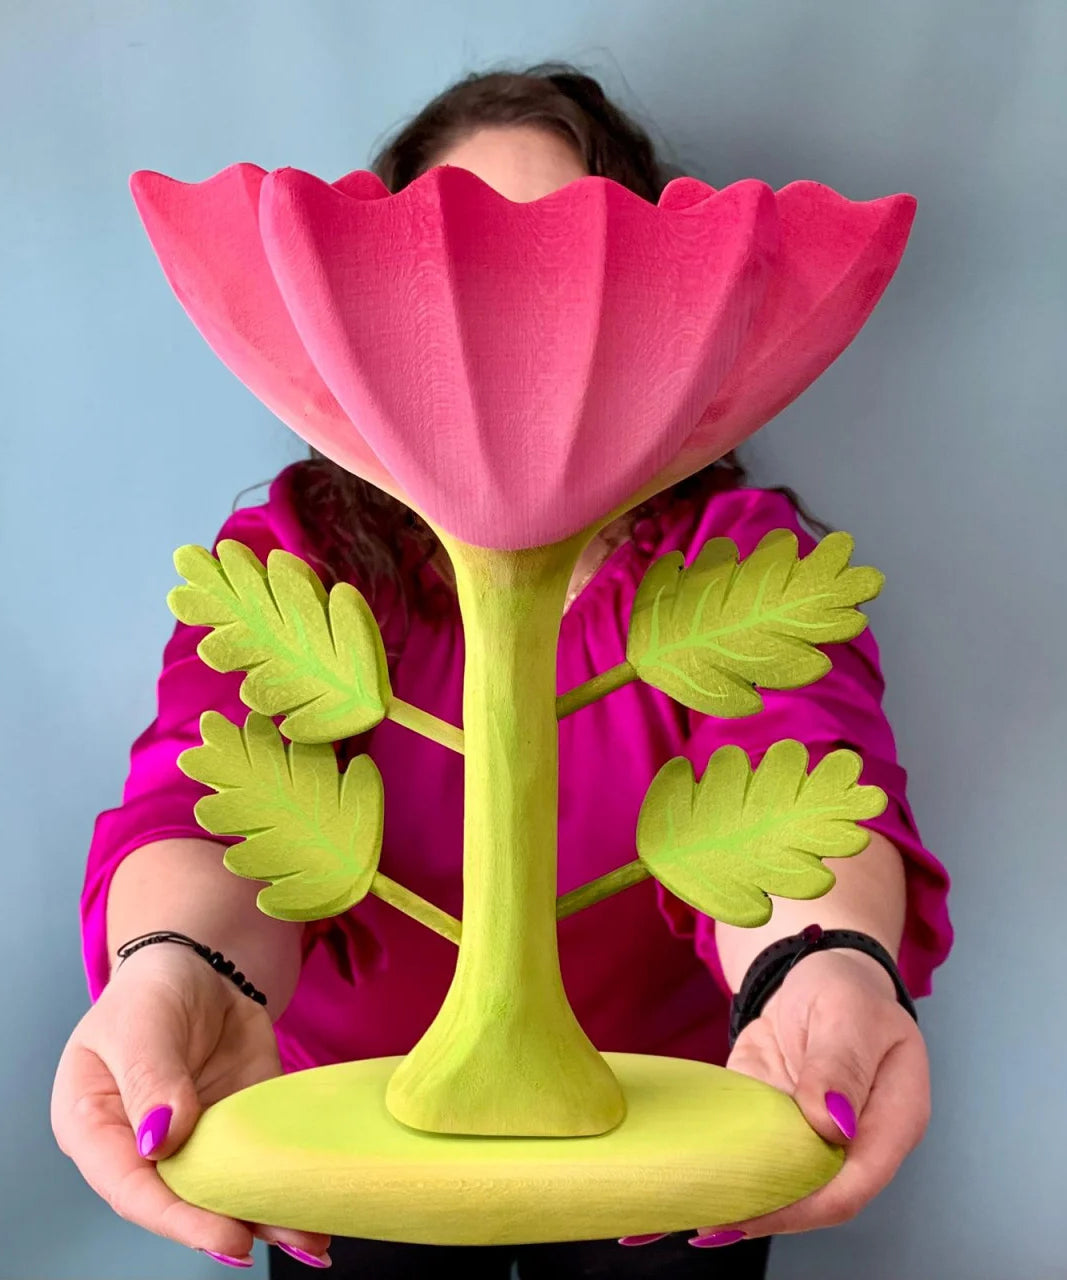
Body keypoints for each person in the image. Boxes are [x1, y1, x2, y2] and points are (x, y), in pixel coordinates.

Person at [51, 63, 952, 1280]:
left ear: (658, 320)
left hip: (670, 1126)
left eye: (564, 271)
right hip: (360, 1129)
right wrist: (179, 969)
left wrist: (821, 966)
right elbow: (205, 790)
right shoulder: (294, 561)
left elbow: (802, 774)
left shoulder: (738, 564)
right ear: (354, 325)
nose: (508, 330)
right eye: (456, 280)